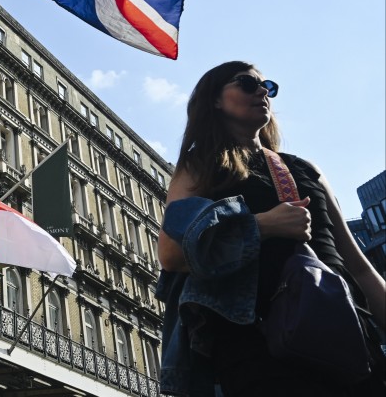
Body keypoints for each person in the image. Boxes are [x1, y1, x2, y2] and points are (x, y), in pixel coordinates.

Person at [157, 61, 385, 396]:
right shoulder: (199, 166)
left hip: (349, 339)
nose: (263, 91)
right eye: (247, 84)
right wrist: (261, 226)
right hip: (259, 348)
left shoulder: (306, 170)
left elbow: (360, 267)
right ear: (215, 100)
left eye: (268, 87)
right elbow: (171, 253)